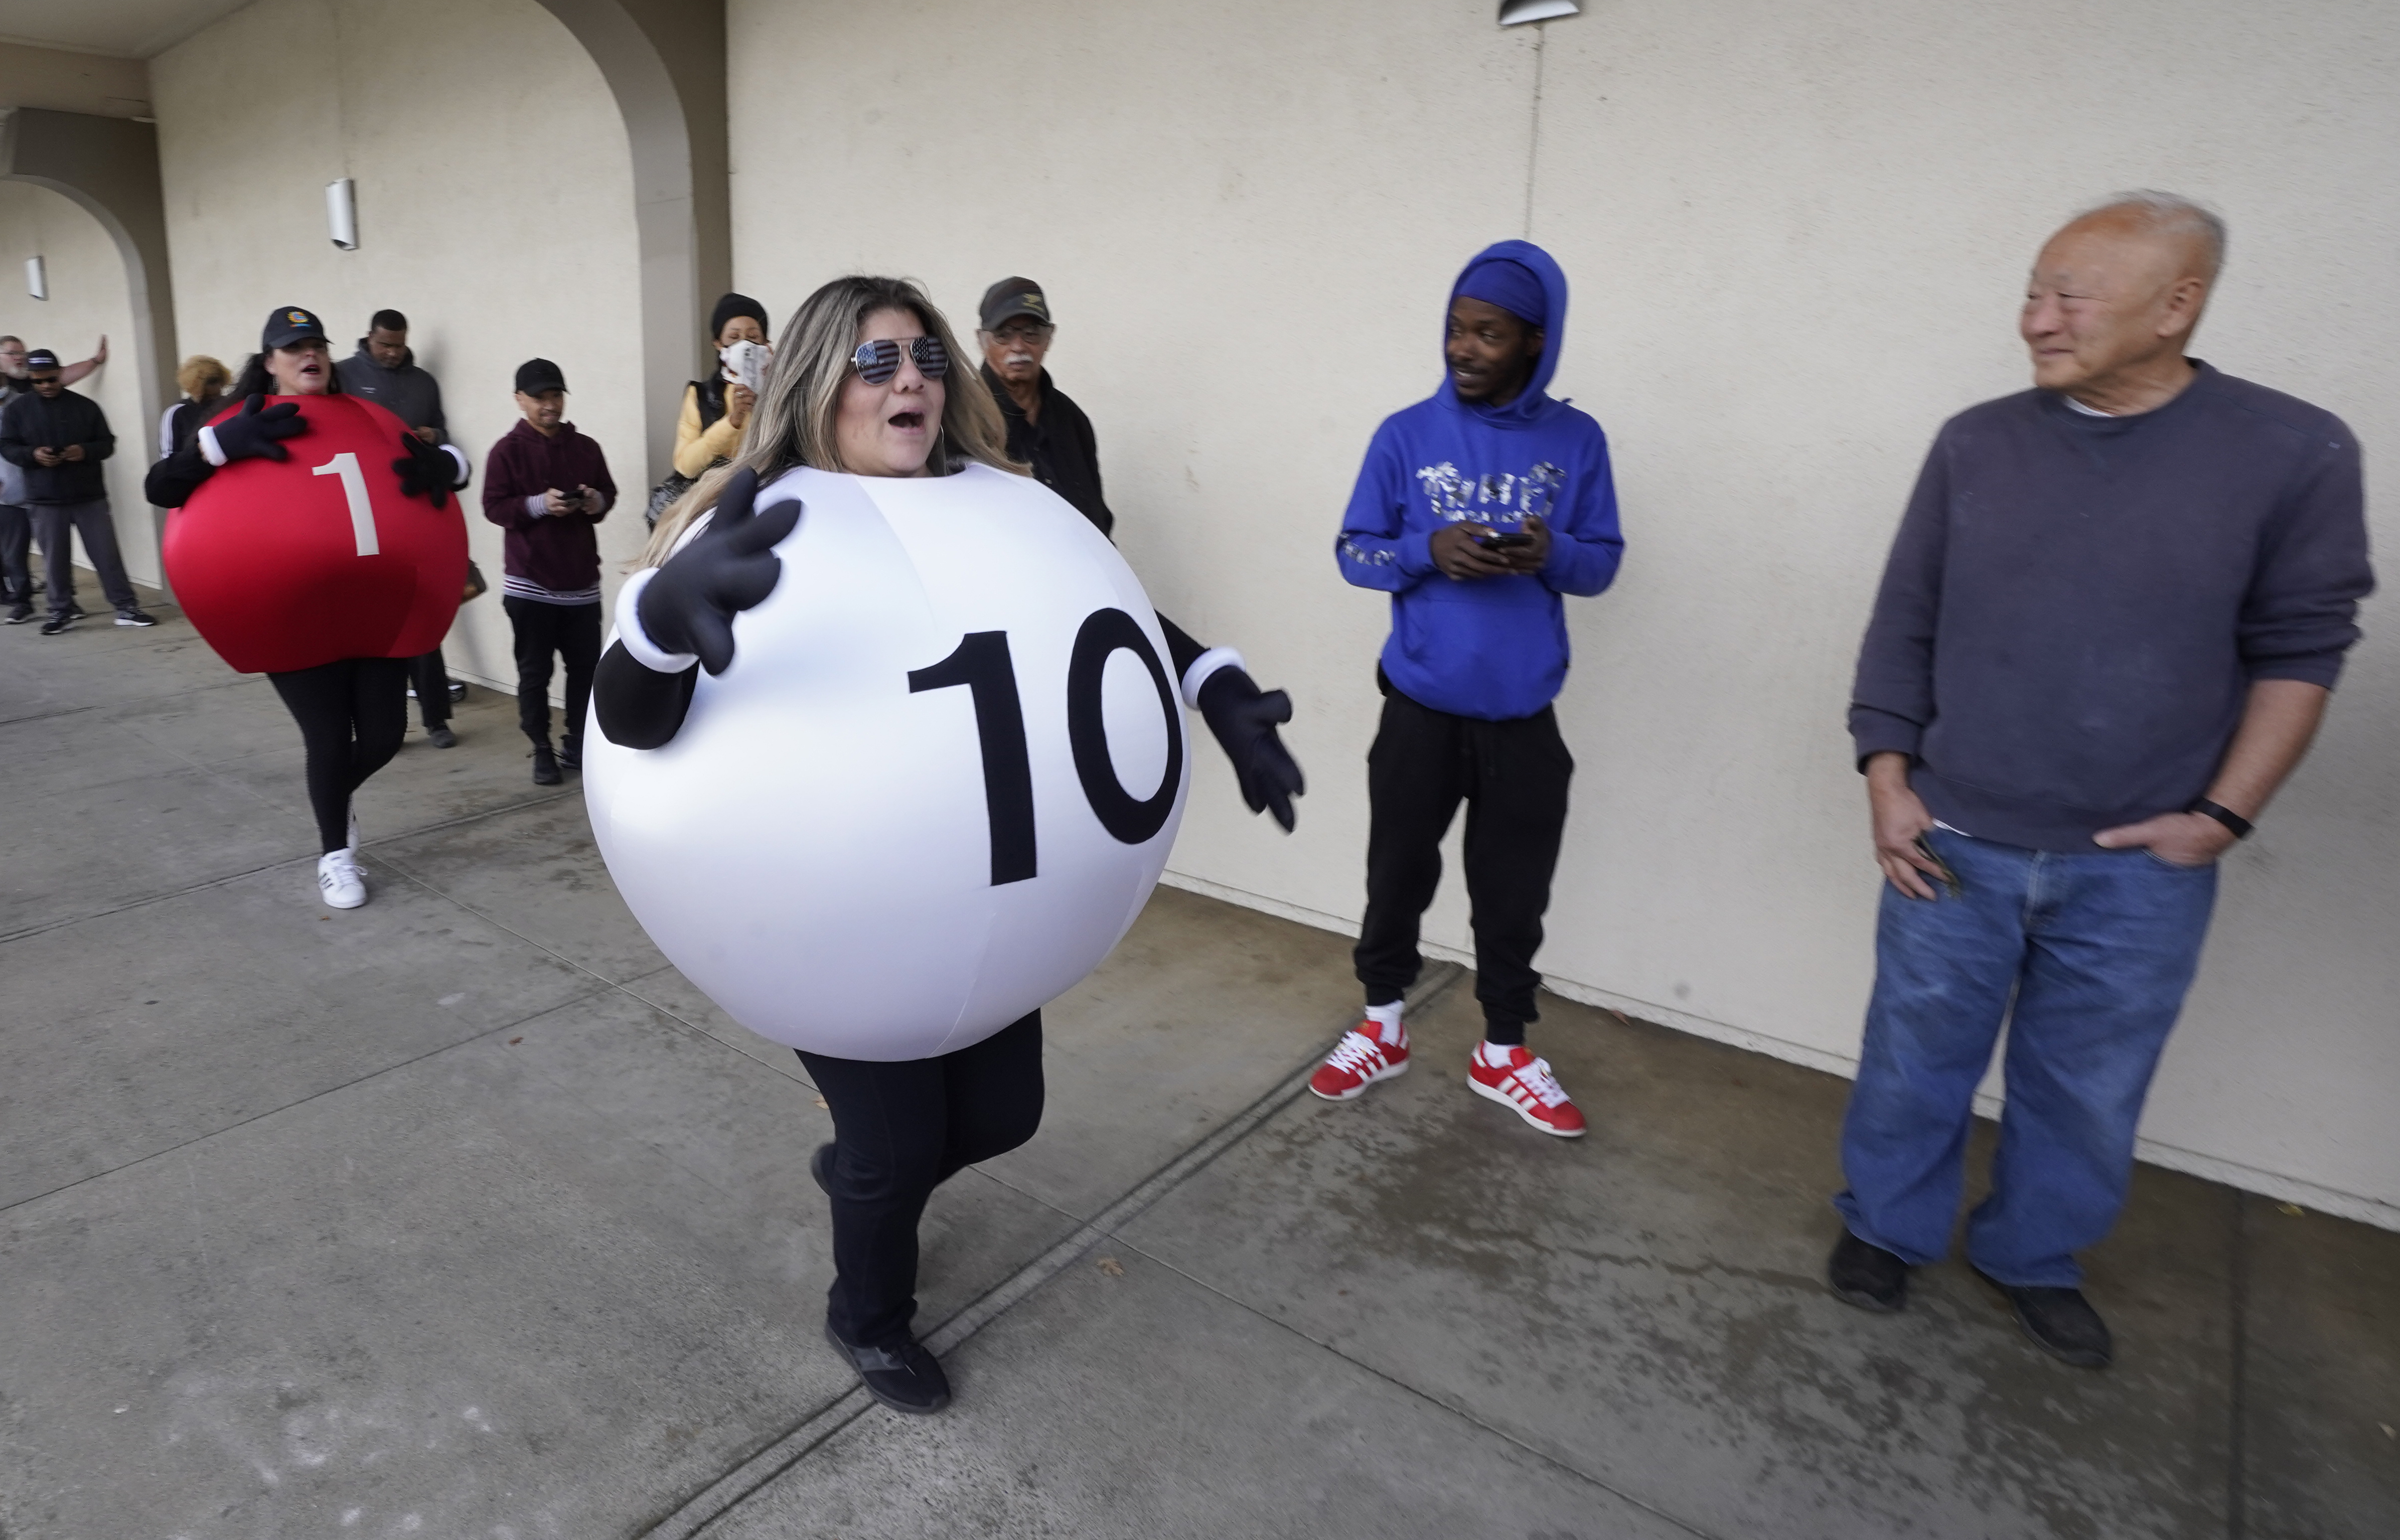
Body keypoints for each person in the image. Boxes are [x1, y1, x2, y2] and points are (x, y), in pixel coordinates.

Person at [597, 274, 1303, 1416]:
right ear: (820, 382)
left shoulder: (1005, 503)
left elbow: (1103, 619)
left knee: (1000, 1114)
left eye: (923, 356)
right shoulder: (754, 515)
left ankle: (869, 1174)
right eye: (875, 361)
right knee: (891, 1145)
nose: (909, 377)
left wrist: (1215, 690)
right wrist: (667, 627)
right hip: (828, 928)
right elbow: (634, 721)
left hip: (994, 903)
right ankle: (866, 1312)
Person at [1829, 193, 2373, 1369]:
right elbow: (1902, 623)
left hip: (2137, 866)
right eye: (2032, 289)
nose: (2035, 319)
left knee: (2085, 1085)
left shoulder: (2293, 449)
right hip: (1953, 838)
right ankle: (1884, 1227)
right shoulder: (1976, 441)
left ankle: (2032, 1252)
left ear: (2178, 303)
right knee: (1912, 1055)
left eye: (2069, 294)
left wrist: (2222, 817)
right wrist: (1886, 772)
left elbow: (2300, 648)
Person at [1319, 241, 1624, 1139]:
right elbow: (1353, 552)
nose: (1462, 347)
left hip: (1523, 718)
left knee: (1511, 891)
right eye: (1456, 328)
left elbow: (1602, 564)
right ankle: (1380, 1026)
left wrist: (1550, 555)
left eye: (1486, 333)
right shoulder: (1403, 435)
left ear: (1534, 342)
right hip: (1418, 708)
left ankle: (1502, 1050)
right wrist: (1426, 552)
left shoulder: (1577, 442)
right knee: (1395, 873)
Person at [146, 305, 471, 908]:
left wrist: (446, 464)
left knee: (382, 737)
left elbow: (438, 471)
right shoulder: (238, 420)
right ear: (269, 364)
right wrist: (218, 447)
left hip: (371, 605)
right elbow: (161, 488)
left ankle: (331, 803)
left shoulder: (365, 418)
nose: (308, 354)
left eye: (315, 343)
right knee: (326, 736)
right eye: (293, 348)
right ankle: (334, 854)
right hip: (285, 609)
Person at [337, 310, 467, 748]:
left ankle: (437, 720)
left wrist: (435, 436)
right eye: (384, 345)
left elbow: (446, 433)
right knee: (366, 629)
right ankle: (374, 727)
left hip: (413, 513)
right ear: (368, 338)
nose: (393, 353)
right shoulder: (343, 376)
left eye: (399, 345)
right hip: (359, 516)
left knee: (420, 618)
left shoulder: (424, 382)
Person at [484, 358, 615, 786]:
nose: (549, 405)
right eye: (540, 398)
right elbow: (494, 506)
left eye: (556, 395)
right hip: (529, 585)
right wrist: (541, 504)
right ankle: (541, 748)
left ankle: (578, 742)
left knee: (585, 672)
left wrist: (594, 501)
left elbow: (607, 495)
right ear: (520, 400)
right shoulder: (507, 451)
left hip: (581, 585)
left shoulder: (586, 448)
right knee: (535, 673)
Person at [0, 347, 155, 635]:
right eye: (39, 381)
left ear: (61, 375)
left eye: (51, 379)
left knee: (106, 555)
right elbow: (7, 446)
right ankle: (61, 611)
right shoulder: (17, 411)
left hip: (88, 495)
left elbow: (107, 443)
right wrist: (33, 455)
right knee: (54, 559)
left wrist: (83, 451)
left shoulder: (85, 407)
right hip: (44, 498)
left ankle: (126, 608)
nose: (46, 386)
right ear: (31, 380)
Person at [974, 277, 1112, 536]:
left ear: (1048, 339)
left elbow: (1099, 519)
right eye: (1004, 335)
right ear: (983, 341)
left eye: (1031, 334)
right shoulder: (964, 418)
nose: (1018, 347)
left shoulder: (1072, 420)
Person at [670, 292, 772, 485]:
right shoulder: (702, 395)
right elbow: (686, 466)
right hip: (716, 499)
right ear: (718, 343)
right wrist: (732, 422)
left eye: (753, 337)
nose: (744, 345)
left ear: (766, 344)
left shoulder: (782, 392)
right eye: (734, 337)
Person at [158, 356, 231, 460]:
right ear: (196, 385)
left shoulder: (229, 406)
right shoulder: (177, 413)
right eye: (211, 381)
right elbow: (168, 458)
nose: (218, 387)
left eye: (219, 380)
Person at [0, 334, 107, 399]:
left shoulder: (35, 373)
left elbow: (66, 374)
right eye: (12, 353)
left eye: (22, 353)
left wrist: (96, 360)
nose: (19, 357)